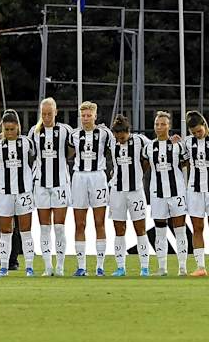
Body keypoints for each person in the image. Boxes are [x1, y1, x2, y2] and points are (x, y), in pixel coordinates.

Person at [70, 101, 115, 276]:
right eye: (84, 115)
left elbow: (117, 149)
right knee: (79, 223)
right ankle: (81, 266)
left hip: (98, 177)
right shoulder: (73, 135)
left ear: (95, 116)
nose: (86, 119)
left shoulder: (104, 134)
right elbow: (67, 152)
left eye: (89, 115)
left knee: (99, 223)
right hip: (79, 177)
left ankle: (100, 266)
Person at [29, 97, 71, 276]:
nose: (46, 117)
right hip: (40, 184)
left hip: (60, 183)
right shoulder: (34, 132)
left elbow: (72, 151)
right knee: (44, 227)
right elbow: (28, 152)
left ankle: (60, 266)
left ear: (56, 112)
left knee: (59, 227)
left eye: (49, 113)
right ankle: (48, 266)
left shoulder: (65, 131)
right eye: (43, 114)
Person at [145, 111, 191, 276]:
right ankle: (162, 268)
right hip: (157, 193)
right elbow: (144, 165)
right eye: (157, 124)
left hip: (177, 192)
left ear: (169, 126)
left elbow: (186, 163)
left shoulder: (178, 145)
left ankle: (182, 268)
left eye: (163, 124)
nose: (159, 127)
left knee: (180, 230)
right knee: (160, 231)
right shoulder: (149, 147)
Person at [0, 110, 35, 277]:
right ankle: (3, 266)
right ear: (2, 128)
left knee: (25, 230)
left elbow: (35, 159)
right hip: (4, 192)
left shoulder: (27, 143)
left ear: (18, 127)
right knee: (5, 231)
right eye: (6, 129)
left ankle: (29, 267)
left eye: (12, 129)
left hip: (23, 192)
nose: (9, 133)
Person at [182, 111, 209, 277]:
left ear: (205, 125)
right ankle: (200, 266)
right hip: (194, 189)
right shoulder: (187, 143)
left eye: (199, 131)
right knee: (197, 228)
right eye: (193, 133)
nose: (197, 135)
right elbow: (184, 161)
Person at [108, 115, 152, 276]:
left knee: (140, 229)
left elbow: (154, 149)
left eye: (123, 137)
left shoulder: (141, 141)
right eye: (117, 137)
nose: (120, 140)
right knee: (119, 229)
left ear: (129, 132)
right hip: (117, 191)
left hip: (136, 191)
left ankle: (145, 267)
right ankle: (120, 267)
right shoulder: (111, 141)